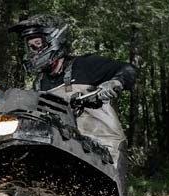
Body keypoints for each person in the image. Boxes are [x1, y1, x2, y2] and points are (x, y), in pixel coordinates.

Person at [9, 14, 135, 168]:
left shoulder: (85, 66)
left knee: (113, 190)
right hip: (71, 149)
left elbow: (128, 69)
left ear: (54, 39)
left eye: (37, 44)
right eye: (30, 47)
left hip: (107, 149)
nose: (34, 51)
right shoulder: (39, 84)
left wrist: (115, 82)